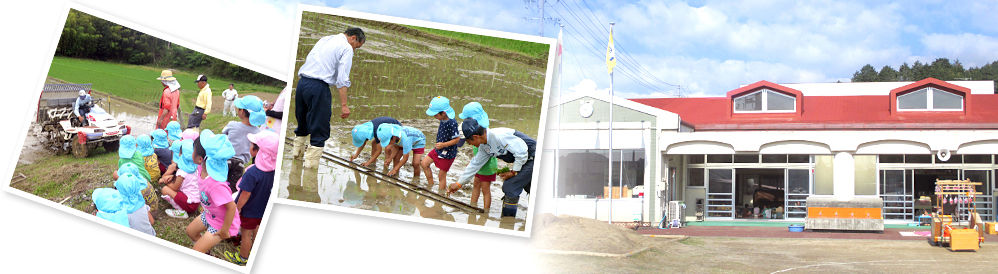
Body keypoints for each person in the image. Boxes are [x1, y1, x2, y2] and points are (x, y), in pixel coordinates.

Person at [291, 27, 366, 168]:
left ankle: (296, 162)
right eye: (357, 46)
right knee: (319, 128)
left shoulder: (325, 38)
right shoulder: (347, 48)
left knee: (302, 124)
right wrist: (344, 105)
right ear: (353, 38)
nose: (355, 50)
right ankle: (310, 172)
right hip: (318, 87)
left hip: (302, 84)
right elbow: (342, 79)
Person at [448, 118, 535, 217]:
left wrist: (513, 172)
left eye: (468, 141)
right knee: (530, 187)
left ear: (476, 137)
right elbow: (475, 165)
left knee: (510, 186)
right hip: (525, 160)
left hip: (534, 156)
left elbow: (521, 152)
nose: (469, 144)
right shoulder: (484, 146)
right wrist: (459, 184)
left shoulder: (499, 136)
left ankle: (507, 222)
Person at [224, 130, 278, 266]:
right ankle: (255, 250)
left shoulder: (253, 173)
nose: (250, 147)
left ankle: (242, 258)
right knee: (257, 228)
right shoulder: (274, 170)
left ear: (258, 150)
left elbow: (245, 193)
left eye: (252, 145)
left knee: (246, 233)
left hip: (249, 210)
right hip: (262, 209)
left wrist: (238, 208)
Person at [185, 129, 240, 255]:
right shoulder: (201, 168)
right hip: (210, 214)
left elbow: (231, 207)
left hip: (221, 223)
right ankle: (206, 253)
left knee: (196, 251)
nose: (191, 152)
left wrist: (225, 230)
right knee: (190, 232)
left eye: (193, 150)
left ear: (200, 159)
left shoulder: (216, 185)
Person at [458, 102, 497, 209]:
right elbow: (478, 153)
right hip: (478, 163)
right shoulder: (472, 131)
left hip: (488, 166)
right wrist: (471, 163)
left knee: (485, 189)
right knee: (476, 185)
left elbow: (485, 153)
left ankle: (486, 211)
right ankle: (472, 205)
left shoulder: (484, 132)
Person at [223, 95, 265, 192]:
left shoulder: (232, 124)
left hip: (226, 159)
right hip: (240, 163)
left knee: (220, 183)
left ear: (242, 111)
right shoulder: (257, 131)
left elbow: (224, 134)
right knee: (234, 187)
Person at [422, 96, 460, 191]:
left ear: (443, 113)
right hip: (438, 149)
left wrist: (443, 145)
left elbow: (457, 139)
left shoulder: (452, 122)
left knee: (441, 176)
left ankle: (441, 194)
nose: (434, 117)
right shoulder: (442, 119)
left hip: (447, 153)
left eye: (435, 115)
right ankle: (430, 185)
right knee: (424, 163)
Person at [162, 139, 200, 218]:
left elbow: (175, 188)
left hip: (189, 204)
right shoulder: (195, 167)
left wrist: (166, 182)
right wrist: (172, 177)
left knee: (165, 189)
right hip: (195, 202)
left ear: (181, 154)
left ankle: (181, 211)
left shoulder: (181, 172)